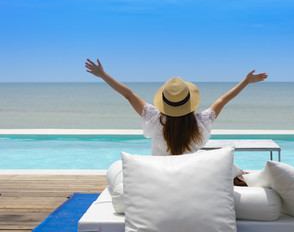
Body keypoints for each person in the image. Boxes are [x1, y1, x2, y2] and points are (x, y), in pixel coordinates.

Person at [85, 58, 268, 185]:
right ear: (189, 102)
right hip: (189, 178)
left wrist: (103, 75)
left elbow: (128, 94)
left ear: (164, 102)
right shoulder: (200, 124)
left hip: (158, 178)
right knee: (227, 166)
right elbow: (222, 100)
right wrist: (245, 81)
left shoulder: (154, 119)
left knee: (117, 168)